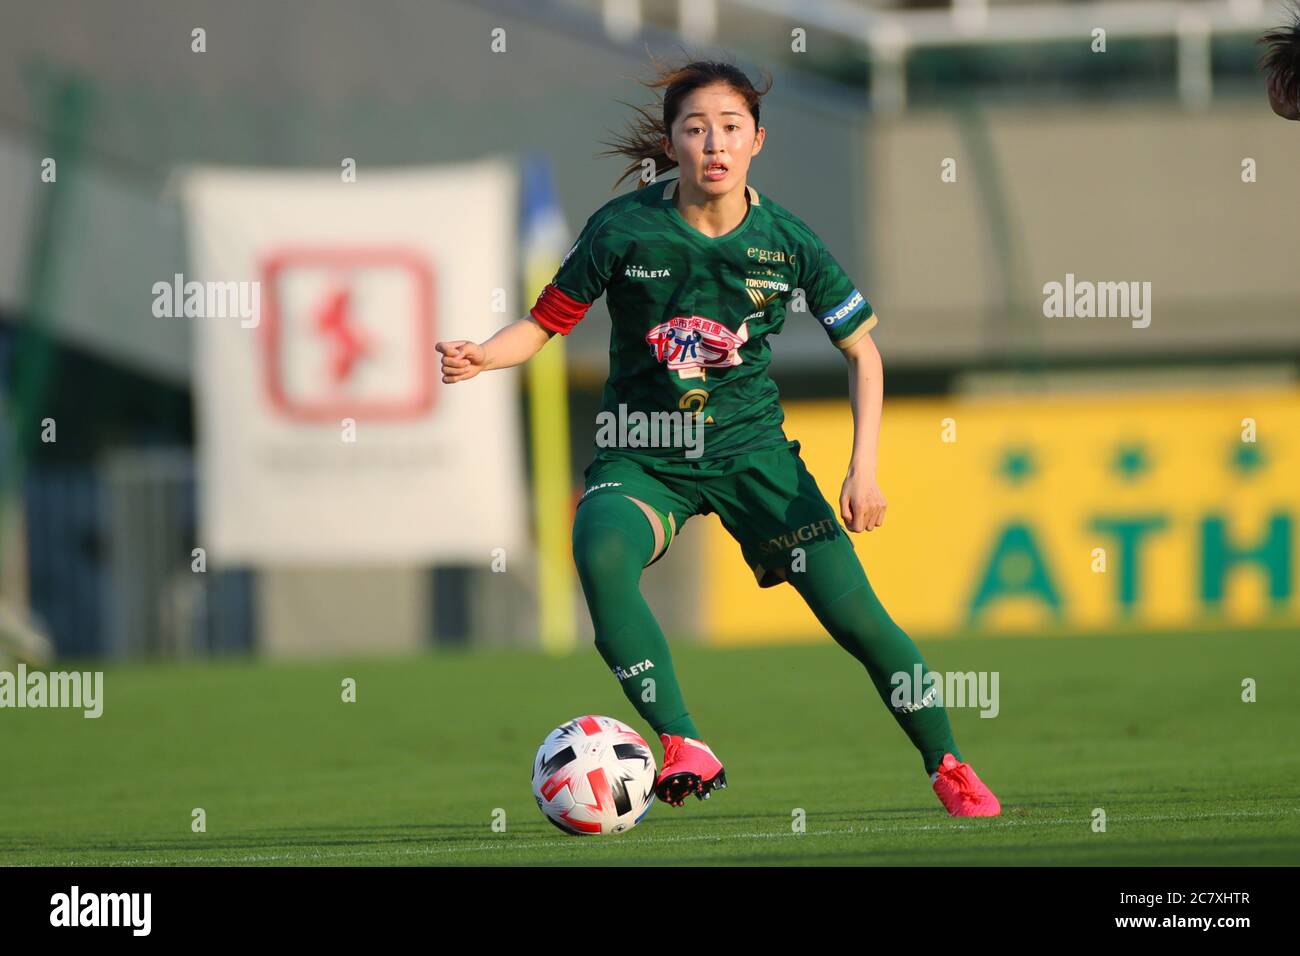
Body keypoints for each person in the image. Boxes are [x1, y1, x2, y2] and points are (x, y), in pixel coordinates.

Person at [436, 59, 1001, 817]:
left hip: (753, 459)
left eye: (731, 128)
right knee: (599, 554)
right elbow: (544, 325)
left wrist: (863, 469)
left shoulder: (787, 243)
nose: (714, 144)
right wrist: (482, 353)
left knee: (860, 621)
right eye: (696, 129)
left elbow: (863, 353)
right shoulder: (622, 229)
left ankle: (949, 764)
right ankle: (683, 740)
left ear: (757, 140)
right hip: (643, 451)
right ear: (671, 142)